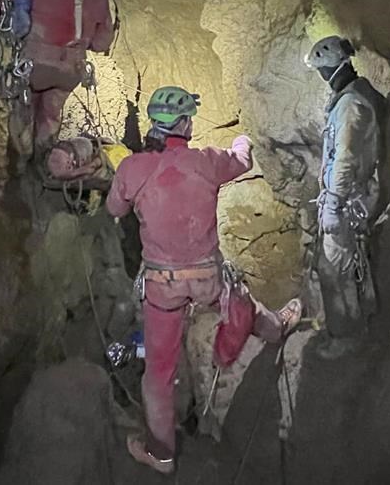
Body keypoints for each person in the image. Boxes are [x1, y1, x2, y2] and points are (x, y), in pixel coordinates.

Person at [106, 86, 302, 474]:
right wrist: (243, 140)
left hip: (162, 285)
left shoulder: (133, 168)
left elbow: (115, 208)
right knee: (242, 303)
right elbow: (240, 161)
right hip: (206, 276)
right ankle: (275, 328)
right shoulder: (206, 161)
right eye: (190, 118)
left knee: (158, 373)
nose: (193, 122)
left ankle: (161, 455)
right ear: (182, 123)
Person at [304, 36, 386, 359]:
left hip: (350, 198)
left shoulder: (351, 106)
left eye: (321, 70)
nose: (321, 76)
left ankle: (348, 337)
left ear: (329, 68)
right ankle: (363, 322)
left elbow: (347, 158)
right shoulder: (351, 97)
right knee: (351, 263)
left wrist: (334, 203)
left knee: (333, 268)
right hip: (351, 195)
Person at [14, 0, 114, 159]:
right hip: (70, 70)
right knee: (50, 118)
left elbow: (10, 12)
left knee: (23, 116)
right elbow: (101, 43)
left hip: (33, 66)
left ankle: (19, 168)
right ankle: (44, 164)